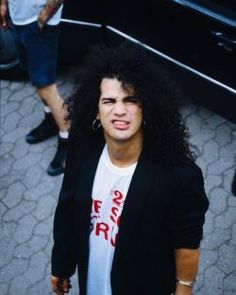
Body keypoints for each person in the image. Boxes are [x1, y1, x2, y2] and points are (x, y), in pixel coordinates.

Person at [51, 42, 209, 295]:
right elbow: (67, 209)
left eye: (131, 100)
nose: (120, 111)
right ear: (96, 109)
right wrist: (61, 264)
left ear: (146, 107)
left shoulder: (179, 176)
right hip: (92, 281)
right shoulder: (83, 152)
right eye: (109, 101)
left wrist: (183, 289)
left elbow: (186, 243)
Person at [0, 0, 68, 176]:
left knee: (46, 85)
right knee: (36, 77)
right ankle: (50, 119)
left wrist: (41, 20)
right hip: (18, 19)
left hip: (40, 23)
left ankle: (68, 139)